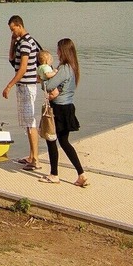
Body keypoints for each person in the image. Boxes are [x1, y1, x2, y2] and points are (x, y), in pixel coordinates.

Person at [39, 38, 88, 187]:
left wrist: (43, 79)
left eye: (58, 49)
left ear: (63, 51)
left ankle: (54, 174)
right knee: (65, 142)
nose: (57, 52)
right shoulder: (73, 67)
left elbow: (49, 86)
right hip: (68, 107)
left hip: (58, 109)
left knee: (51, 139)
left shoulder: (64, 68)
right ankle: (81, 174)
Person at [2, 15, 42, 171]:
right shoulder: (20, 42)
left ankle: (36, 159)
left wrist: (9, 86)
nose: (12, 32)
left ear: (19, 25)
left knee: (30, 122)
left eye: (13, 29)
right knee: (27, 122)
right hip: (23, 86)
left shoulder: (26, 43)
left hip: (27, 86)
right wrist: (12, 41)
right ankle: (31, 156)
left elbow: (23, 68)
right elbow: (11, 58)